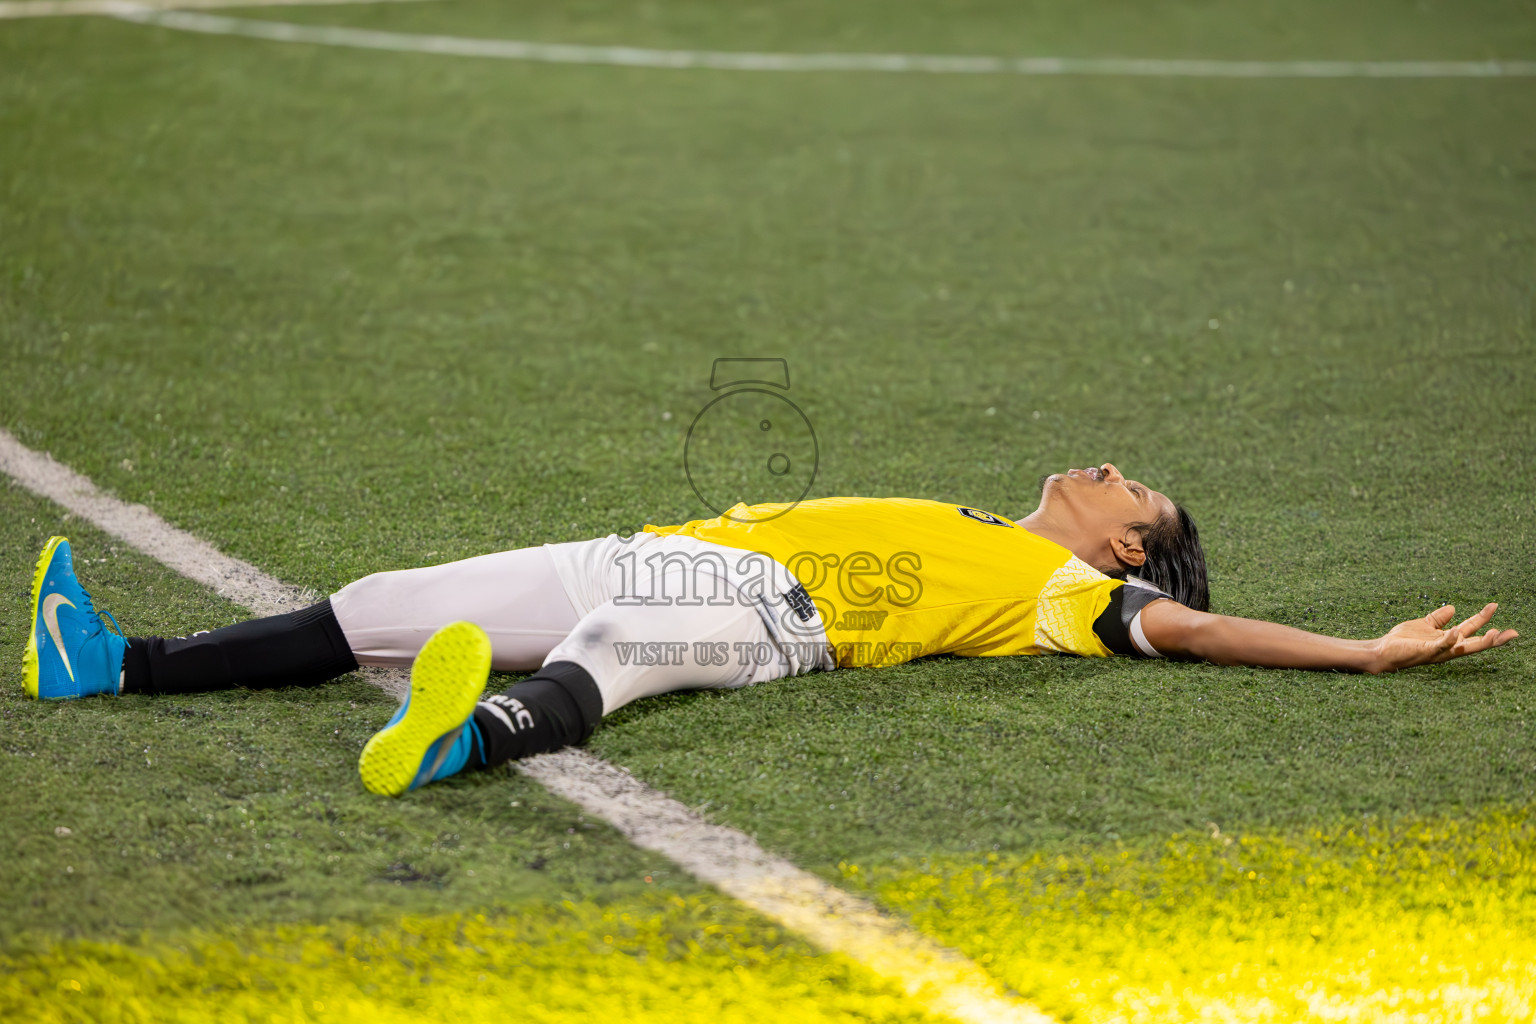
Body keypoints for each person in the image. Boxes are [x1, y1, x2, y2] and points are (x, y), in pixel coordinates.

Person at [22, 464, 1517, 797]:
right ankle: (116, 665)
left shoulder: (1076, 596)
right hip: (668, 545)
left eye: (1130, 485)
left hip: (765, 614)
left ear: (1130, 545)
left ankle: (456, 739)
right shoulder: (988, 526)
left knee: (608, 660)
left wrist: (1363, 649)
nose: (1103, 466)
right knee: (385, 609)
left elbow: (1193, 637)